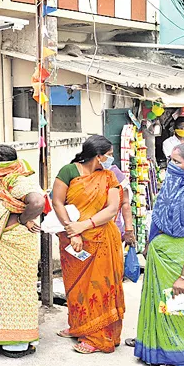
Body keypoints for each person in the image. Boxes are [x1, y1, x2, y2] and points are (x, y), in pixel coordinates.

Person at [134, 143, 184, 366]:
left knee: (181, 309)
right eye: (170, 160)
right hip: (163, 257)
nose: (171, 166)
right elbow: (160, 216)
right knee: (159, 304)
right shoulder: (173, 185)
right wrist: (151, 243)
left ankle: (181, 360)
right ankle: (155, 347)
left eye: (176, 162)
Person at [52, 134, 125, 354]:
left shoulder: (109, 176)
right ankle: (78, 326)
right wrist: (71, 230)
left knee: (99, 286)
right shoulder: (69, 171)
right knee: (75, 286)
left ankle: (97, 337)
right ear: (98, 155)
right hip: (72, 238)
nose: (112, 159)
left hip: (102, 238)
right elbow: (57, 202)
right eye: (109, 155)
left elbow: (112, 209)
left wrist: (83, 226)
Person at [0, 145, 48, 358]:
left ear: (4, 163)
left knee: (15, 293)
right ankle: (4, 338)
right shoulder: (6, 181)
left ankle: (17, 344)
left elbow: (37, 202)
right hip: (4, 245)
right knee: (1, 292)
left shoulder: (20, 180)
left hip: (13, 245)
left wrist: (20, 220)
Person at [109, 164, 137, 248]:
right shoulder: (83, 172)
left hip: (115, 231)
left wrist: (129, 230)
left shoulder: (114, 172)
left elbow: (125, 202)